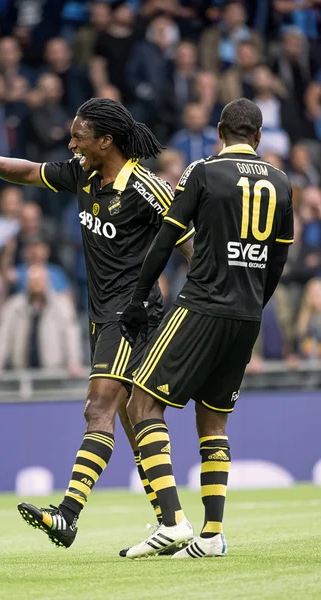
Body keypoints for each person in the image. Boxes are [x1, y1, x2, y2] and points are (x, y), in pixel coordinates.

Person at [0, 97, 194, 549]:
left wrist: (201, 305)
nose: (70, 143)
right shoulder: (82, 173)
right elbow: (29, 171)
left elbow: (193, 247)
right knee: (134, 423)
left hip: (134, 316)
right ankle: (173, 524)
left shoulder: (148, 188)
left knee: (98, 409)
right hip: (102, 316)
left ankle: (67, 514)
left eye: (78, 136)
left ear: (106, 140)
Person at [118, 98, 294, 559]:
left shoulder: (203, 170)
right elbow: (277, 260)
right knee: (213, 421)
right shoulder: (281, 181)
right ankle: (212, 534)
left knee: (142, 402)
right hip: (247, 315)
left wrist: (137, 298)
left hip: (201, 306)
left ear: (220, 131)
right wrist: (254, 302)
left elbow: (166, 238)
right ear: (257, 136)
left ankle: (173, 522)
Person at [0, 264, 83, 377]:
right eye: (33, 281)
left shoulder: (62, 306)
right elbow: (3, 337)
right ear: (27, 283)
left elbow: (71, 337)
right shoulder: (13, 306)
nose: (36, 284)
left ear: (47, 282)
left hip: (54, 372)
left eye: (39, 280)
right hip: (20, 372)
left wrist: (74, 363)